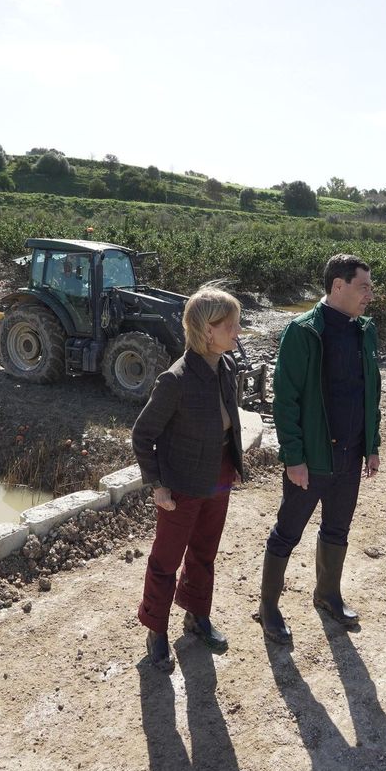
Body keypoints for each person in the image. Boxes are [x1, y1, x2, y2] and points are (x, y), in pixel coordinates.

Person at [257, 254, 380, 644]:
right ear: (338, 286)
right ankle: (268, 608)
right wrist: (294, 457)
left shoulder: (365, 331)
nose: (370, 296)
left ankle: (327, 594)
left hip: (351, 455)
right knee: (287, 533)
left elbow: (369, 393)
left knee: (338, 529)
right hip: (312, 460)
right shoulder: (303, 331)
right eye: (364, 287)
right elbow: (286, 400)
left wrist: (371, 445)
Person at [131, 287, 249, 672]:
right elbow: (143, 434)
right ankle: (156, 629)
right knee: (166, 559)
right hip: (180, 485)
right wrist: (158, 485)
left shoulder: (227, 368)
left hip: (219, 475)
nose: (237, 332)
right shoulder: (175, 380)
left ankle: (196, 616)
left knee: (204, 551)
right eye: (229, 326)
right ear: (205, 329)